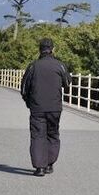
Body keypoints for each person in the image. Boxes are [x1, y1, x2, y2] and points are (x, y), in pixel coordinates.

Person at [19, 38, 71, 177]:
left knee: (37, 135)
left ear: (39, 49)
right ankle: (49, 163)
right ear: (53, 49)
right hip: (55, 107)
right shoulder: (60, 65)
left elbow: (24, 88)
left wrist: (28, 102)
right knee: (53, 134)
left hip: (37, 107)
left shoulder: (33, 66)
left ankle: (39, 167)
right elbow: (67, 83)